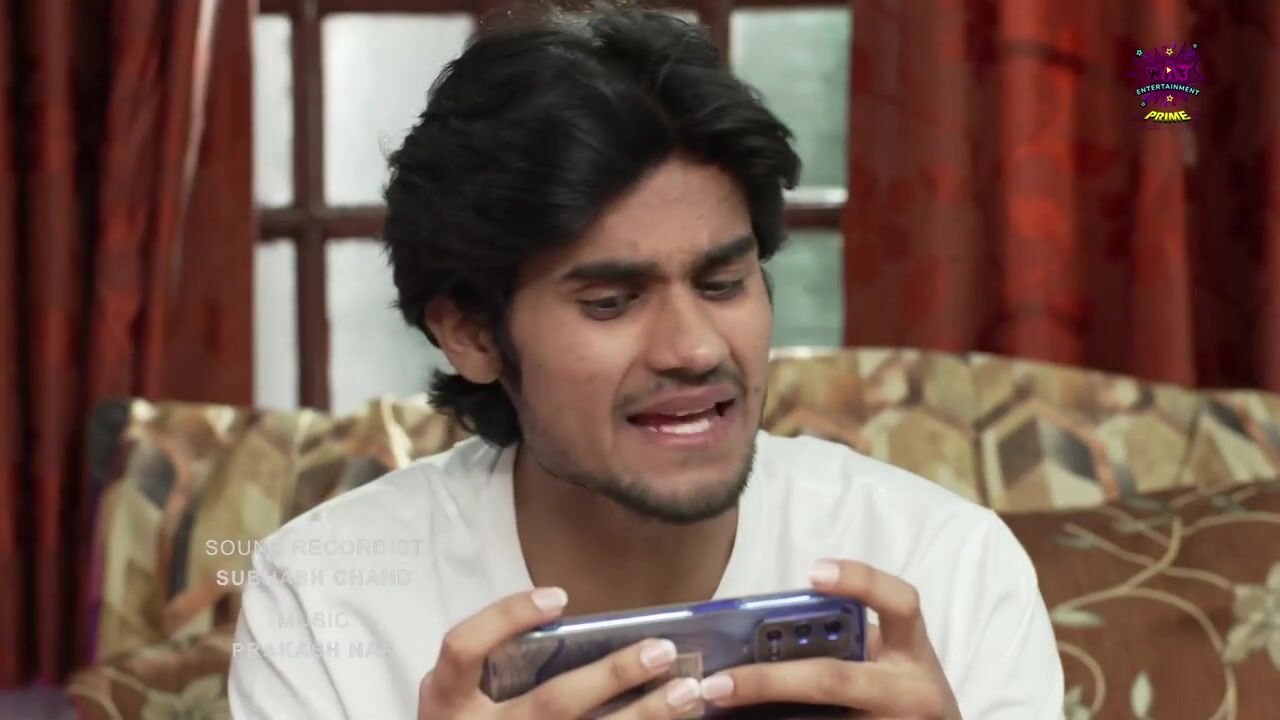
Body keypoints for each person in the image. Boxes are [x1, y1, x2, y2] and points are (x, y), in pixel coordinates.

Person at [228, 5, 1064, 718]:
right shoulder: (326, 594)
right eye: (611, 302)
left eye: (723, 283)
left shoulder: (945, 565)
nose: (695, 348)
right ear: (472, 334)